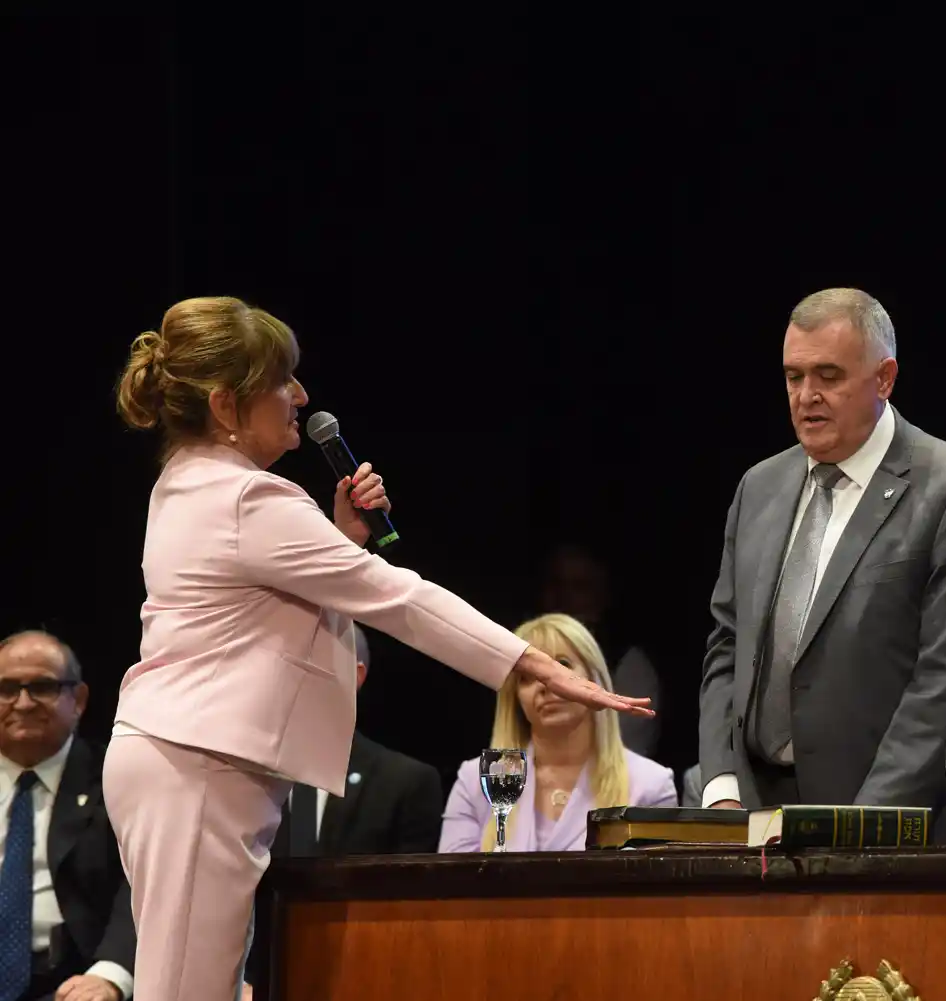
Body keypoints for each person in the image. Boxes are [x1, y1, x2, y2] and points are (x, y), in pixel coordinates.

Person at [102, 296, 652, 1001]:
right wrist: (532, 662)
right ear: (226, 404)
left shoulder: (187, 480)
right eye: (282, 380)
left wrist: (338, 538)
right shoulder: (247, 499)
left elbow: (270, 598)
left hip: (185, 759)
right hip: (194, 766)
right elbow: (399, 598)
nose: (300, 395)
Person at [698, 288, 946, 846]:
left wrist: (853, 828)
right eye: (794, 377)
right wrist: (722, 782)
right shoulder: (760, 486)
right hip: (759, 825)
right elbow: (728, 645)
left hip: (897, 831)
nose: (806, 396)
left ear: (885, 378)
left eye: (828, 376)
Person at [439, 613, 677, 853]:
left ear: (595, 679)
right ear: (515, 698)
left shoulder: (651, 785)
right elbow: (451, 885)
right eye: (526, 678)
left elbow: (656, 888)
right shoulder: (475, 782)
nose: (545, 685)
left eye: (562, 665)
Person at [0, 631, 134, 1001]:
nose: (23, 703)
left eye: (42, 687)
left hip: (76, 982)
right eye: (7, 689)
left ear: (78, 700)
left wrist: (111, 975)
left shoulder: (118, 778)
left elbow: (146, 885)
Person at [271, 625, 443, 857]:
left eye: (310, 661)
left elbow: (408, 889)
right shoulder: (243, 775)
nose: (296, 674)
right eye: (288, 662)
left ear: (355, 677)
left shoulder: (406, 784)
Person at [538, 544, 662, 756]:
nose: (563, 599)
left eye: (579, 587)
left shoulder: (630, 667)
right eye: (556, 584)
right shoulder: (523, 655)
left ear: (601, 596)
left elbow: (623, 758)